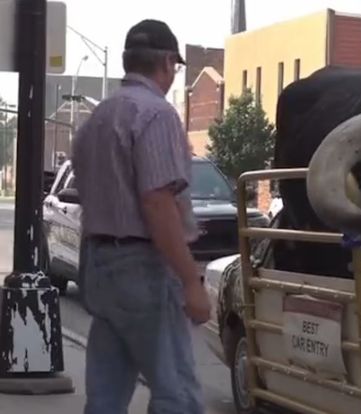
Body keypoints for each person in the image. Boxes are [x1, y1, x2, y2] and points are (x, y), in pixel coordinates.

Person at [71, 19, 211, 414]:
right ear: (168, 63)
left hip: (100, 264)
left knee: (106, 394)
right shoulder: (156, 115)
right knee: (177, 395)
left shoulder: (97, 119)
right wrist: (190, 282)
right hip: (144, 267)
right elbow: (157, 202)